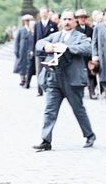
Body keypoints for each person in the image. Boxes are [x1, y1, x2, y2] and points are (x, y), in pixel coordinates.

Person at [32, 10, 96, 151]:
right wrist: (45, 46)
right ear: (60, 21)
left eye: (70, 19)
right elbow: (39, 43)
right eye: (64, 19)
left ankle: (89, 135)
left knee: (78, 109)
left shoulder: (81, 36)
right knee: (49, 110)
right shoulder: (55, 36)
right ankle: (45, 140)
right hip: (54, 79)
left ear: (75, 22)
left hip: (72, 80)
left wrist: (68, 48)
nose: (67, 22)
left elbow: (88, 48)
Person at [33, 7, 58, 96]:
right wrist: (34, 51)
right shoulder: (37, 25)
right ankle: (39, 90)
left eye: (45, 13)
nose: (43, 14)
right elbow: (35, 39)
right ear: (40, 14)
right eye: (42, 13)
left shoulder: (53, 25)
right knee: (39, 71)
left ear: (48, 13)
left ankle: (50, 89)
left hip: (49, 52)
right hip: (39, 52)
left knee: (50, 71)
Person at [75, 9, 97, 99]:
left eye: (84, 17)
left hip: (88, 55)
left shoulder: (90, 29)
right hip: (79, 55)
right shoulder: (75, 30)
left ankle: (92, 92)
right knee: (79, 74)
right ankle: (79, 93)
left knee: (91, 74)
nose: (83, 19)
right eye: (81, 18)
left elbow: (94, 41)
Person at [13, 14, 34, 87]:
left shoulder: (32, 30)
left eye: (29, 20)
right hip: (22, 51)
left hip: (29, 50)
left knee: (29, 65)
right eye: (26, 20)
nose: (28, 22)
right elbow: (17, 41)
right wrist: (16, 50)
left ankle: (27, 79)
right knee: (22, 65)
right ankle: (22, 79)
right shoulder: (21, 30)